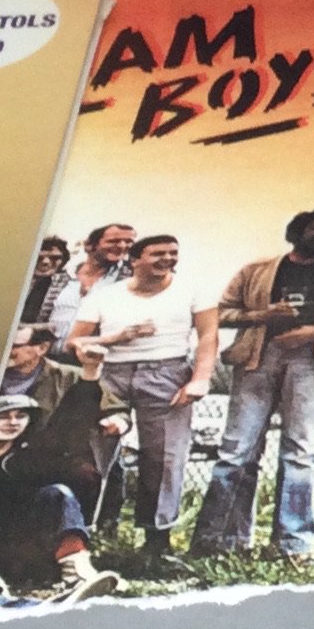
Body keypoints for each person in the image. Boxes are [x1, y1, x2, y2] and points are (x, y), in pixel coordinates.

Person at [195, 204, 314, 561]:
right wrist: (262, 316)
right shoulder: (257, 270)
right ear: (297, 233)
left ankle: (294, 546)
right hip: (257, 358)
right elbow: (222, 312)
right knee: (237, 450)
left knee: (300, 450)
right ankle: (220, 541)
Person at [69, 230, 221, 562]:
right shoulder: (105, 295)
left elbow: (209, 336)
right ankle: (83, 533)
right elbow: (75, 341)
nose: (168, 259)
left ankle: (157, 543)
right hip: (111, 375)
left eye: (172, 253)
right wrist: (117, 338)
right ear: (135, 260)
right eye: (158, 253)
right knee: (94, 452)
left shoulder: (192, 289)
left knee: (164, 457)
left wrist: (200, 379)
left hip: (167, 373)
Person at [0, 370, 124, 607]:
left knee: (58, 493)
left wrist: (89, 377)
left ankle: (77, 573)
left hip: (12, 547)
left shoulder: (30, 458)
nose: (13, 422)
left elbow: (69, 424)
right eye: (3, 416)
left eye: (20, 416)